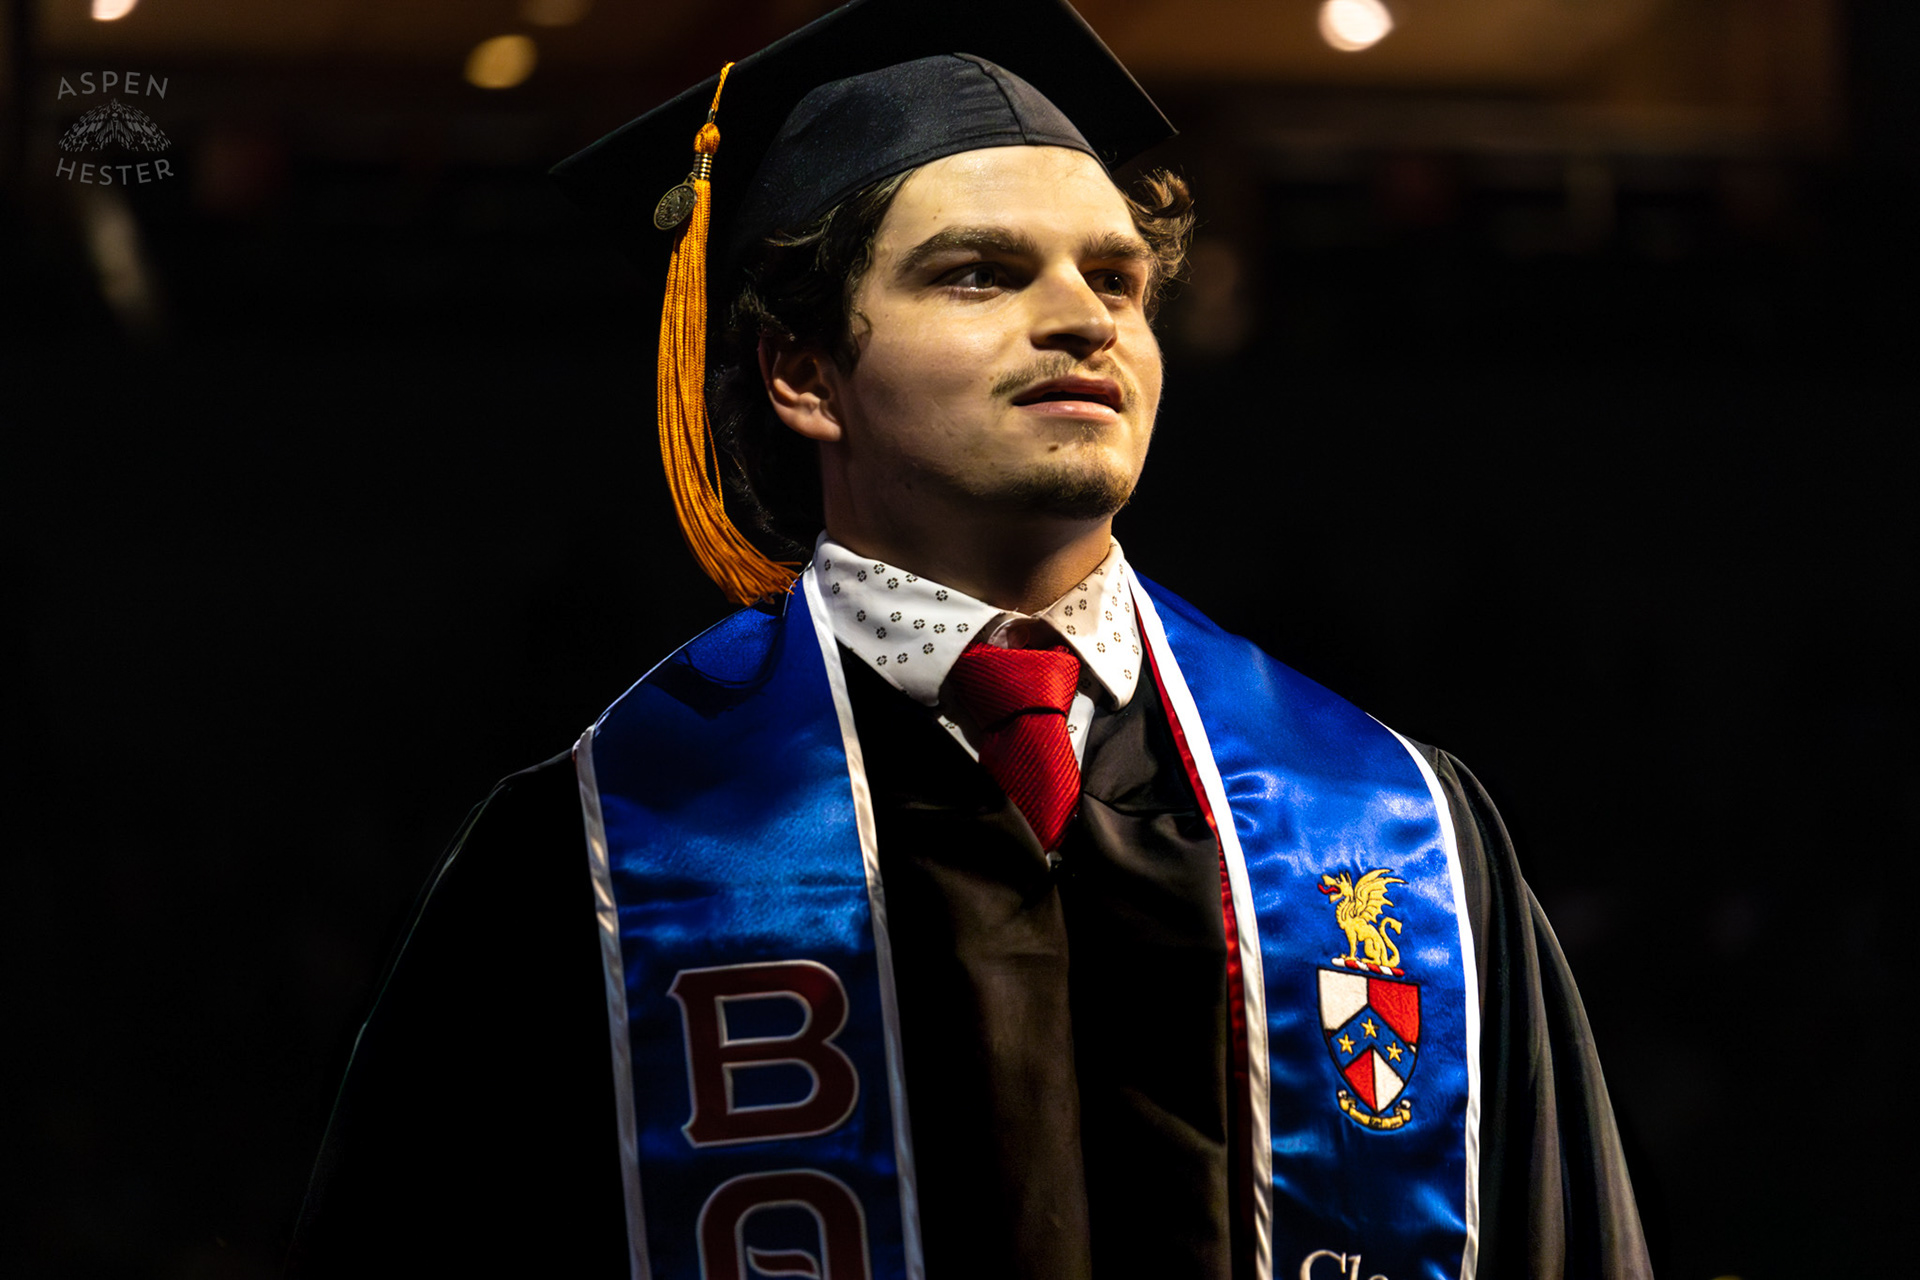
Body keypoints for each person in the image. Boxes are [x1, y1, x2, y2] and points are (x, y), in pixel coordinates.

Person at [289, 1, 1651, 1277]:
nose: (1082, 319)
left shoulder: (1391, 828)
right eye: (981, 274)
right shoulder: (596, 856)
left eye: (1117, 281)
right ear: (804, 373)